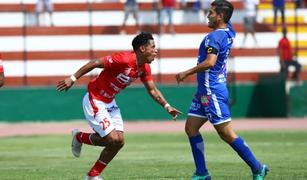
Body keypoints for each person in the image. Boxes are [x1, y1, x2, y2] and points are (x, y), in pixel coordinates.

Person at [56, 32, 181, 180]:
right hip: (95, 99)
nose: (156, 50)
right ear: (142, 49)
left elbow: (152, 89)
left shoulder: (144, 68)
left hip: (110, 102)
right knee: (112, 139)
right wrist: (72, 78)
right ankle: (79, 137)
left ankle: (93, 175)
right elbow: (96, 62)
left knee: (119, 142)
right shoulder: (124, 59)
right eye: (153, 47)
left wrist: (167, 106)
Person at [175, 1, 269, 180]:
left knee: (226, 133)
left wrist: (186, 72)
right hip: (204, 92)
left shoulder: (214, 37)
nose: (207, 15)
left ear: (219, 16)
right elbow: (228, 15)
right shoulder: (229, 31)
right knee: (191, 128)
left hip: (212, 93)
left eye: (211, 13)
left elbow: (210, 62)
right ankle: (202, 173)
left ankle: (258, 168)